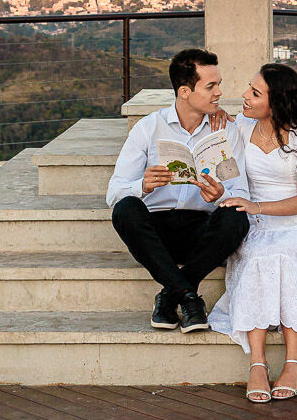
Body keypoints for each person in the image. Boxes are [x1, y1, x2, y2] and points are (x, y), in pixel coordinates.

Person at [208, 62, 297, 403]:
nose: (244, 97)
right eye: (249, 88)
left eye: (255, 93)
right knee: (262, 253)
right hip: (256, 221)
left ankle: (294, 360)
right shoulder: (242, 126)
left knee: (280, 255)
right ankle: (257, 363)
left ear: (276, 101)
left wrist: (256, 207)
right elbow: (227, 171)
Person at [106, 48, 251, 333]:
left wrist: (220, 194)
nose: (219, 93)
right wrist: (143, 186)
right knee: (125, 208)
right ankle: (189, 297)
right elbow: (114, 193)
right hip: (157, 234)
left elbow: (242, 190)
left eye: (218, 84)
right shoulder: (148, 128)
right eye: (211, 86)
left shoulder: (226, 130)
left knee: (237, 216)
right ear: (185, 91)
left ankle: (172, 293)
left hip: (203, 233)